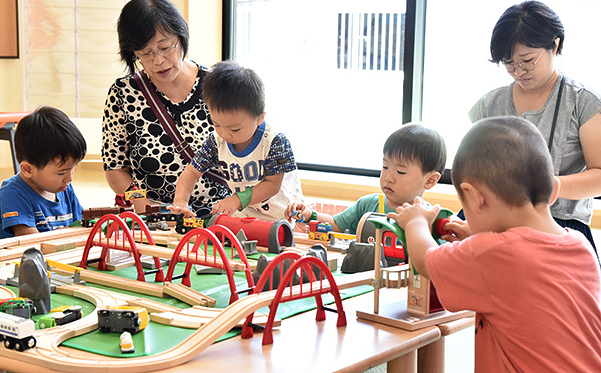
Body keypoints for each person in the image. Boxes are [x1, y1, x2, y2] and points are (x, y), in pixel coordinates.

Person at [388, 116, 601, 372]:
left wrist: (415, 222)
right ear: (553, 190)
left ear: (475, 198)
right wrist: (478, 238)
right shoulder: (579, 245)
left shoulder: (493, 254)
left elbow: (425, 261)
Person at [469, 0, 601, 256]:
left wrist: (549, 186)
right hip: (497, 222)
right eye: (508, 63)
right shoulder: (489, 104)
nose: (518, 71)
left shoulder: (583, 102)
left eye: (527, 60)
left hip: (561, 225)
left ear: (555, 44)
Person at [102, 0, 230, 217]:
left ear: (181, 38)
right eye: (146, 53)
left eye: (165, 47)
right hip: (157, 219)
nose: (158, 61)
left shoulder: (218, 86)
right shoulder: (123, 94)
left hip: (221, 217)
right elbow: (115, 168)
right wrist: (145, 206)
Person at [170, 60, 303, 222]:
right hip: (245, 212)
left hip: (283, 214)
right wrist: (181, 202)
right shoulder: (216, 141)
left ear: (259, 118)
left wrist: (236, 199)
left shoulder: (275, 142)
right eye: (217, 124)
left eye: (235, 129)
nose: (225, 134)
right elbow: (191, 172)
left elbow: (272, 185)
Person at [285, 123, 446, 233]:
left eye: (401, 172)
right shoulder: (368, 204)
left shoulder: (430, 217)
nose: (388, 177)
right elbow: (335, 224)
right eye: (385, 166)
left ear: (430, 180)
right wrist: (311, 215)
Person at [0, 106, 87, 240]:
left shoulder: (63, 187)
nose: (69, 178)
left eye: (73, 168)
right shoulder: (11, 194)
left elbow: (80, 225)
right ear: (28, 169)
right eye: (62, 173)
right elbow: (32, 242)